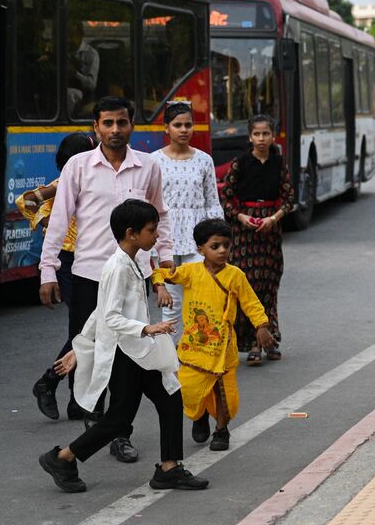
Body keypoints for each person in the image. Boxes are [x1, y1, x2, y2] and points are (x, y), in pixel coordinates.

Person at [36, 97, 175, 464]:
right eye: (108, 123)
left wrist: (164, 259)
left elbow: (159, 215)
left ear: (132, 126)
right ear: (95, 127)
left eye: (122, 123)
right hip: (88, 275)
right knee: (94, 352)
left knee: (128, 355)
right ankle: (95, 423)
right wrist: (48, 270)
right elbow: (60, 219)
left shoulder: (147, 167)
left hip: (134, 277)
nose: (115, 130)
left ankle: (118, 433)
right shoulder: (78, 167)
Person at [37, 199, 209, 494]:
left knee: (170, 398)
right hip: (126, 353)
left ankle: (169, 468)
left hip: (138, 351)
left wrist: (80, 346)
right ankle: (62, 457)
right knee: (119, 419)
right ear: (131, 233)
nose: (156, 236)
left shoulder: (133, 261)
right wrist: (146, 327)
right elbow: (110, 316)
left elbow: (99, 310)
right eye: (151, 230)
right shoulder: (117, 267)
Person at [153, 218, 275, 451]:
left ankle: (221, 429)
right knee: (188, 391)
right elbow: (160, 273)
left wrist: (261, 326)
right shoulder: (189, 272)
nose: (222, 251)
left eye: (226, 246)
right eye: (215, 246)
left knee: (224, 394)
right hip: (194, 349)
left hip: (223, 349)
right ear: (200, 249)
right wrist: (160, 287)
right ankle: (198, 415)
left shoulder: (235, 275)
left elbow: (251, 303)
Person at [26, 132, 99, 421]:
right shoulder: (64, 182)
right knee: (85, 331)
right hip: (68, 262)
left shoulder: (92, 179)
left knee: (85, 330)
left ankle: (73, 398)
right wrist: (46, 223)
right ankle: (50, 382)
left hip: (91, 258)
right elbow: (27, 201)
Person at [221, 114, 295, 365]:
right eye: (257, 134)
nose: (261, 138)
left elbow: (289, 199)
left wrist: (273, 219)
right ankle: (254, 341)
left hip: (270, 234)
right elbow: (226, 198)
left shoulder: (279, 163)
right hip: (244, 234)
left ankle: (270, 339)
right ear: (250, 136)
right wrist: (241, 217)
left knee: (269, 288)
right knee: (247, 288)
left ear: (273, 136)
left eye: (266, 134)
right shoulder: (240, 163)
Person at [152, 102, 223, 341]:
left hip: (198, 236)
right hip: (166, 237)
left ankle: (199, 352)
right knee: (170, 303)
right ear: (166, 128)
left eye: (188, 125)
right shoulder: (154, 161)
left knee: (200, 297)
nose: (183, 130)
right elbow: (150, 203)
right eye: (177, 125)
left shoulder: (204, 160)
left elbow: (212, 201)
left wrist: (217, 238)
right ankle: (169, 361)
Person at [66, 22, 100, 118]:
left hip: (84, 96)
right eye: (67, 37)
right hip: (62, 90)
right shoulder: (63, 51)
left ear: (81, 35)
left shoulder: (91, 54)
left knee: (70, 94)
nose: (69, 40)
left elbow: (92, 84)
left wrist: (75, 73)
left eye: (72, 36)